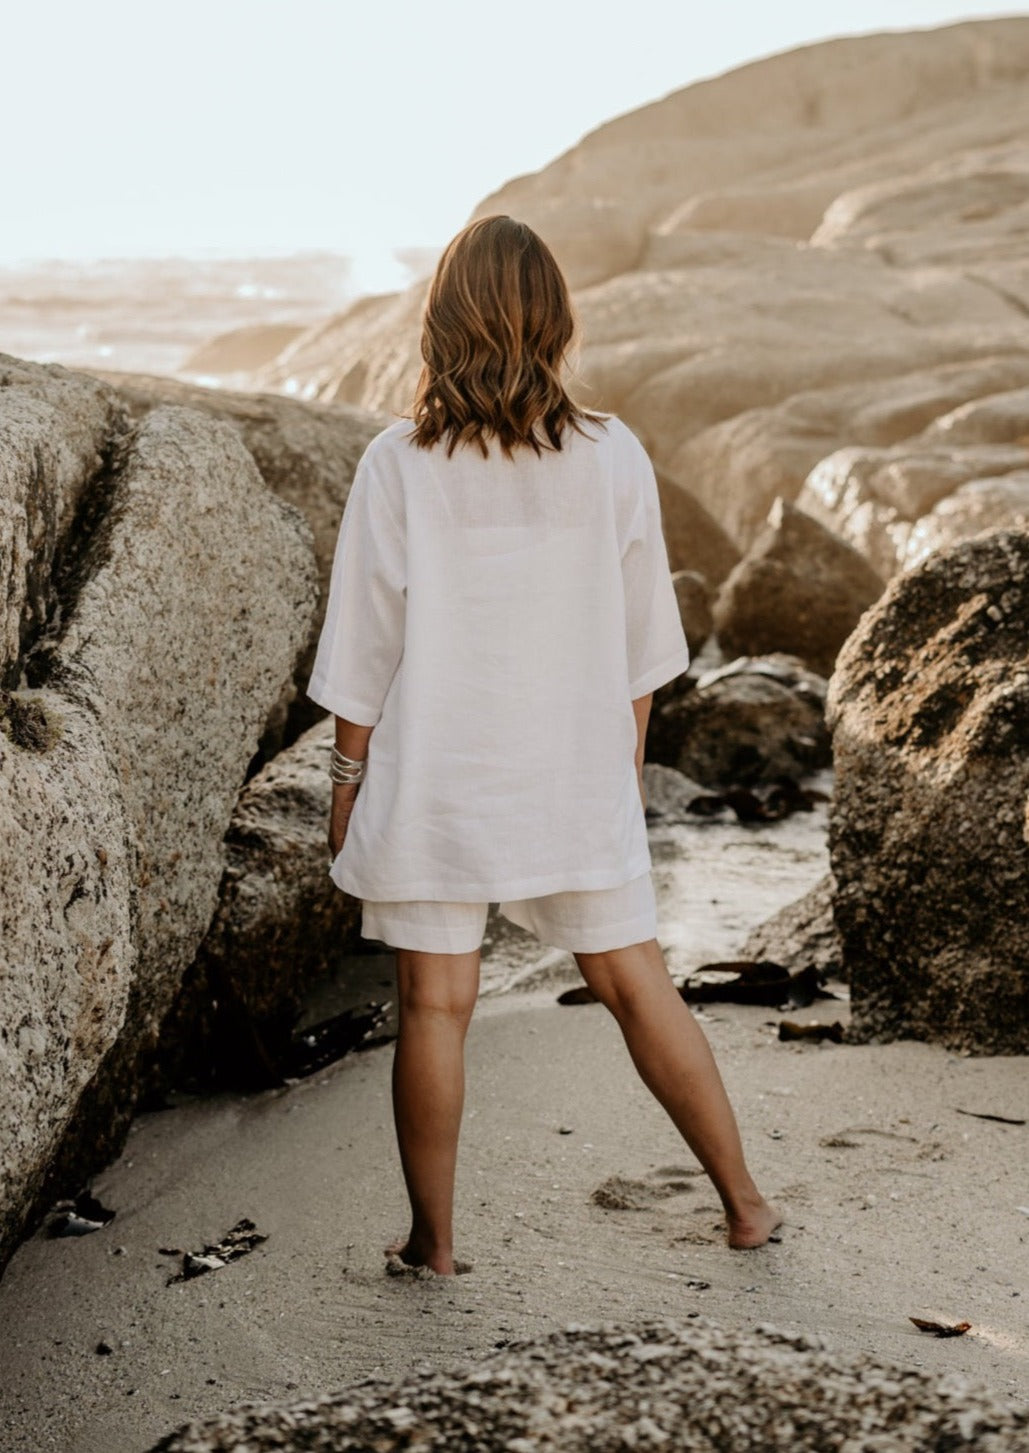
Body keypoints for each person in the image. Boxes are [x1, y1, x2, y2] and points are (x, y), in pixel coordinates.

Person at [306, 214, 780, 1275]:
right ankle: (746, 1204)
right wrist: (617, 778)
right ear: (555, 323)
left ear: (441, 326)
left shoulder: (399, 464)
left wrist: (346, 784)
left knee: (436, 1002)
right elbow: (643, 649)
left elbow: (363, 648)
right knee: (636, 983)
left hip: (439, 776)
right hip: (572, 773)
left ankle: (433, 1243)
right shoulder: (612, 455)